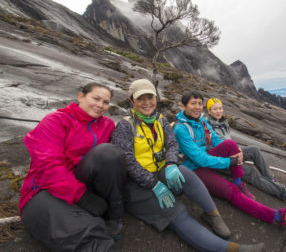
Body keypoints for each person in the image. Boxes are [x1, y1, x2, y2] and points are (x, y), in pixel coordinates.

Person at [111, 79, 264, 252]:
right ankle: (230, 249)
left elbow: (172, 145)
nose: (147, 102)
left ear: (156, 98)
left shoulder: (160, 120)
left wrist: (170, 164)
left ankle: (212, 214)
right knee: (177, 211)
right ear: (132, 100)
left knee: (185, 172)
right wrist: (153, 184)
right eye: (141, 98)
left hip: (161, 171)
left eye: (150, 97)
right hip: (139, 184)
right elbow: (127, 161)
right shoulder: (125, 126)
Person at [19, 82, 127, 251]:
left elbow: (112, 165)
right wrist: (82, 196)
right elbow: (48, 166)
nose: (100, 105)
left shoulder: (107, 125)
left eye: (105, 102)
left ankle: (114, 215)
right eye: (96, 98)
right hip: (46, 190)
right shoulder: (55, 121)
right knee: (88, 238)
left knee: (110, 153)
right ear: (81, 96)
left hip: (83, 182)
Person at [173, 90, 286, 230]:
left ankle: (239, 182)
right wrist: (229, 162)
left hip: (207, 158)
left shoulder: (202, 121)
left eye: (199, 103)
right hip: (195, 169)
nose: (197, 107)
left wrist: (235, 152)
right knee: (231, 191)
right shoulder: (181, 129)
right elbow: (200, 159)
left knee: (231, 144)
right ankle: (279, 217)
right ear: (184, 105)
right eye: (193, 103)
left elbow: (216, 140)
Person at [205, 97, 286, 202]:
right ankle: (284, 193)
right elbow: (213, 149)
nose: (219, 111)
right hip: (223, 161)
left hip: (233, 154)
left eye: (220, 108)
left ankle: (271, 180)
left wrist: (237, 151)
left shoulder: (222, 122)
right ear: (209, 111)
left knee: (254, 150)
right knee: (251, 172)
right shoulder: (208, 127)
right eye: (215, 109)